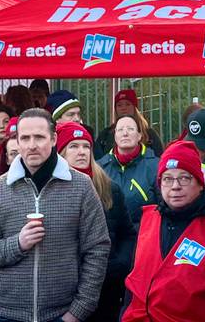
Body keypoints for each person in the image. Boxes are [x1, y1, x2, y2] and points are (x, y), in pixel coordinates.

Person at [0, 109, 110, 322]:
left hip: (62, 313)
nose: (32, 145)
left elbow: (97, 249)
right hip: (8, 314)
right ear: (17, 141)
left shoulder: (81, 186)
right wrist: (18, 244)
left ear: (53, 139)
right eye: (25, 138)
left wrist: (79, 310)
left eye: (39, 137)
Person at [119, 141, 205, 322]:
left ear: (200, 183)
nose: (175, 186)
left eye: (184, 178)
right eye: (167, 179)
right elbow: (133, 283)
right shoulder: (147, 221)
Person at [56, 122, 132, 322]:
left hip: (106, 288)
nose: (82, 152)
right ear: (60, 153)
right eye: (74, 146)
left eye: (86, 146)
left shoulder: (110, 188)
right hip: (65, 291)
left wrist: (119, 264)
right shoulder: (50, 191)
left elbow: (127, 233)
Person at [96, 112, 159, 225]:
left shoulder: (155, 166)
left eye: (130, 129)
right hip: (110, 234)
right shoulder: (100, 168)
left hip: (144, 232)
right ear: (115, 136)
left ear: (139, 135)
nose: (125, 133)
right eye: (120, 130)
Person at [95, 90, 162, 158]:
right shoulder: (105, 135)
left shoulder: (149, 135)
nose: (123, 108)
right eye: (119, 105)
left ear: (135, 108)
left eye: (128, 104)